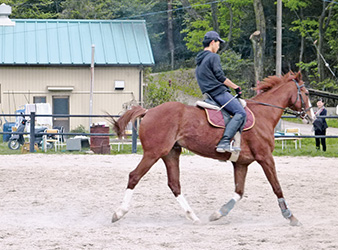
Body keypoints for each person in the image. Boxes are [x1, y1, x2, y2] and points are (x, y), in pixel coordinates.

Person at [195, 31, 246, 153]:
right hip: (219, 92)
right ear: (213, 42)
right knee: (240, 113)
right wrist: (236, 87)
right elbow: (220, 77)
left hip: (209, 94)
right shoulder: (213, 57)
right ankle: (224, 142)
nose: (218, 47)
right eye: (218, 43)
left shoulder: (200, 60)